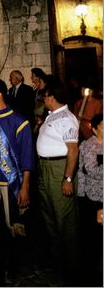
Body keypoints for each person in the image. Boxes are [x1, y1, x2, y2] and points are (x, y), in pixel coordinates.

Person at [0, 78, 35, 285]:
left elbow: (27, 157)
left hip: (12, 183)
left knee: (12, 228)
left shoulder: (19, 121)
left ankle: (14, 264)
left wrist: (25, 186)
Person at [36, 77, 80, 285]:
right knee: (50, 217)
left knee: (65, 221)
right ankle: (58, 262)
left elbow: (73, 150)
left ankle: (72, 269)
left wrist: (67, 178)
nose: (43, 99)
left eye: (45, 96)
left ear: (51, 97)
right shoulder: (52, 116)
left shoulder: (67, 119)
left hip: (58, 168)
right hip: (45, 168)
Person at [77, 113, 103, 285]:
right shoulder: (89, 145)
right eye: (103, 126)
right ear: (94, 129)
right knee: (93, 237)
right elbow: (91, 170)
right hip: (92, 197)